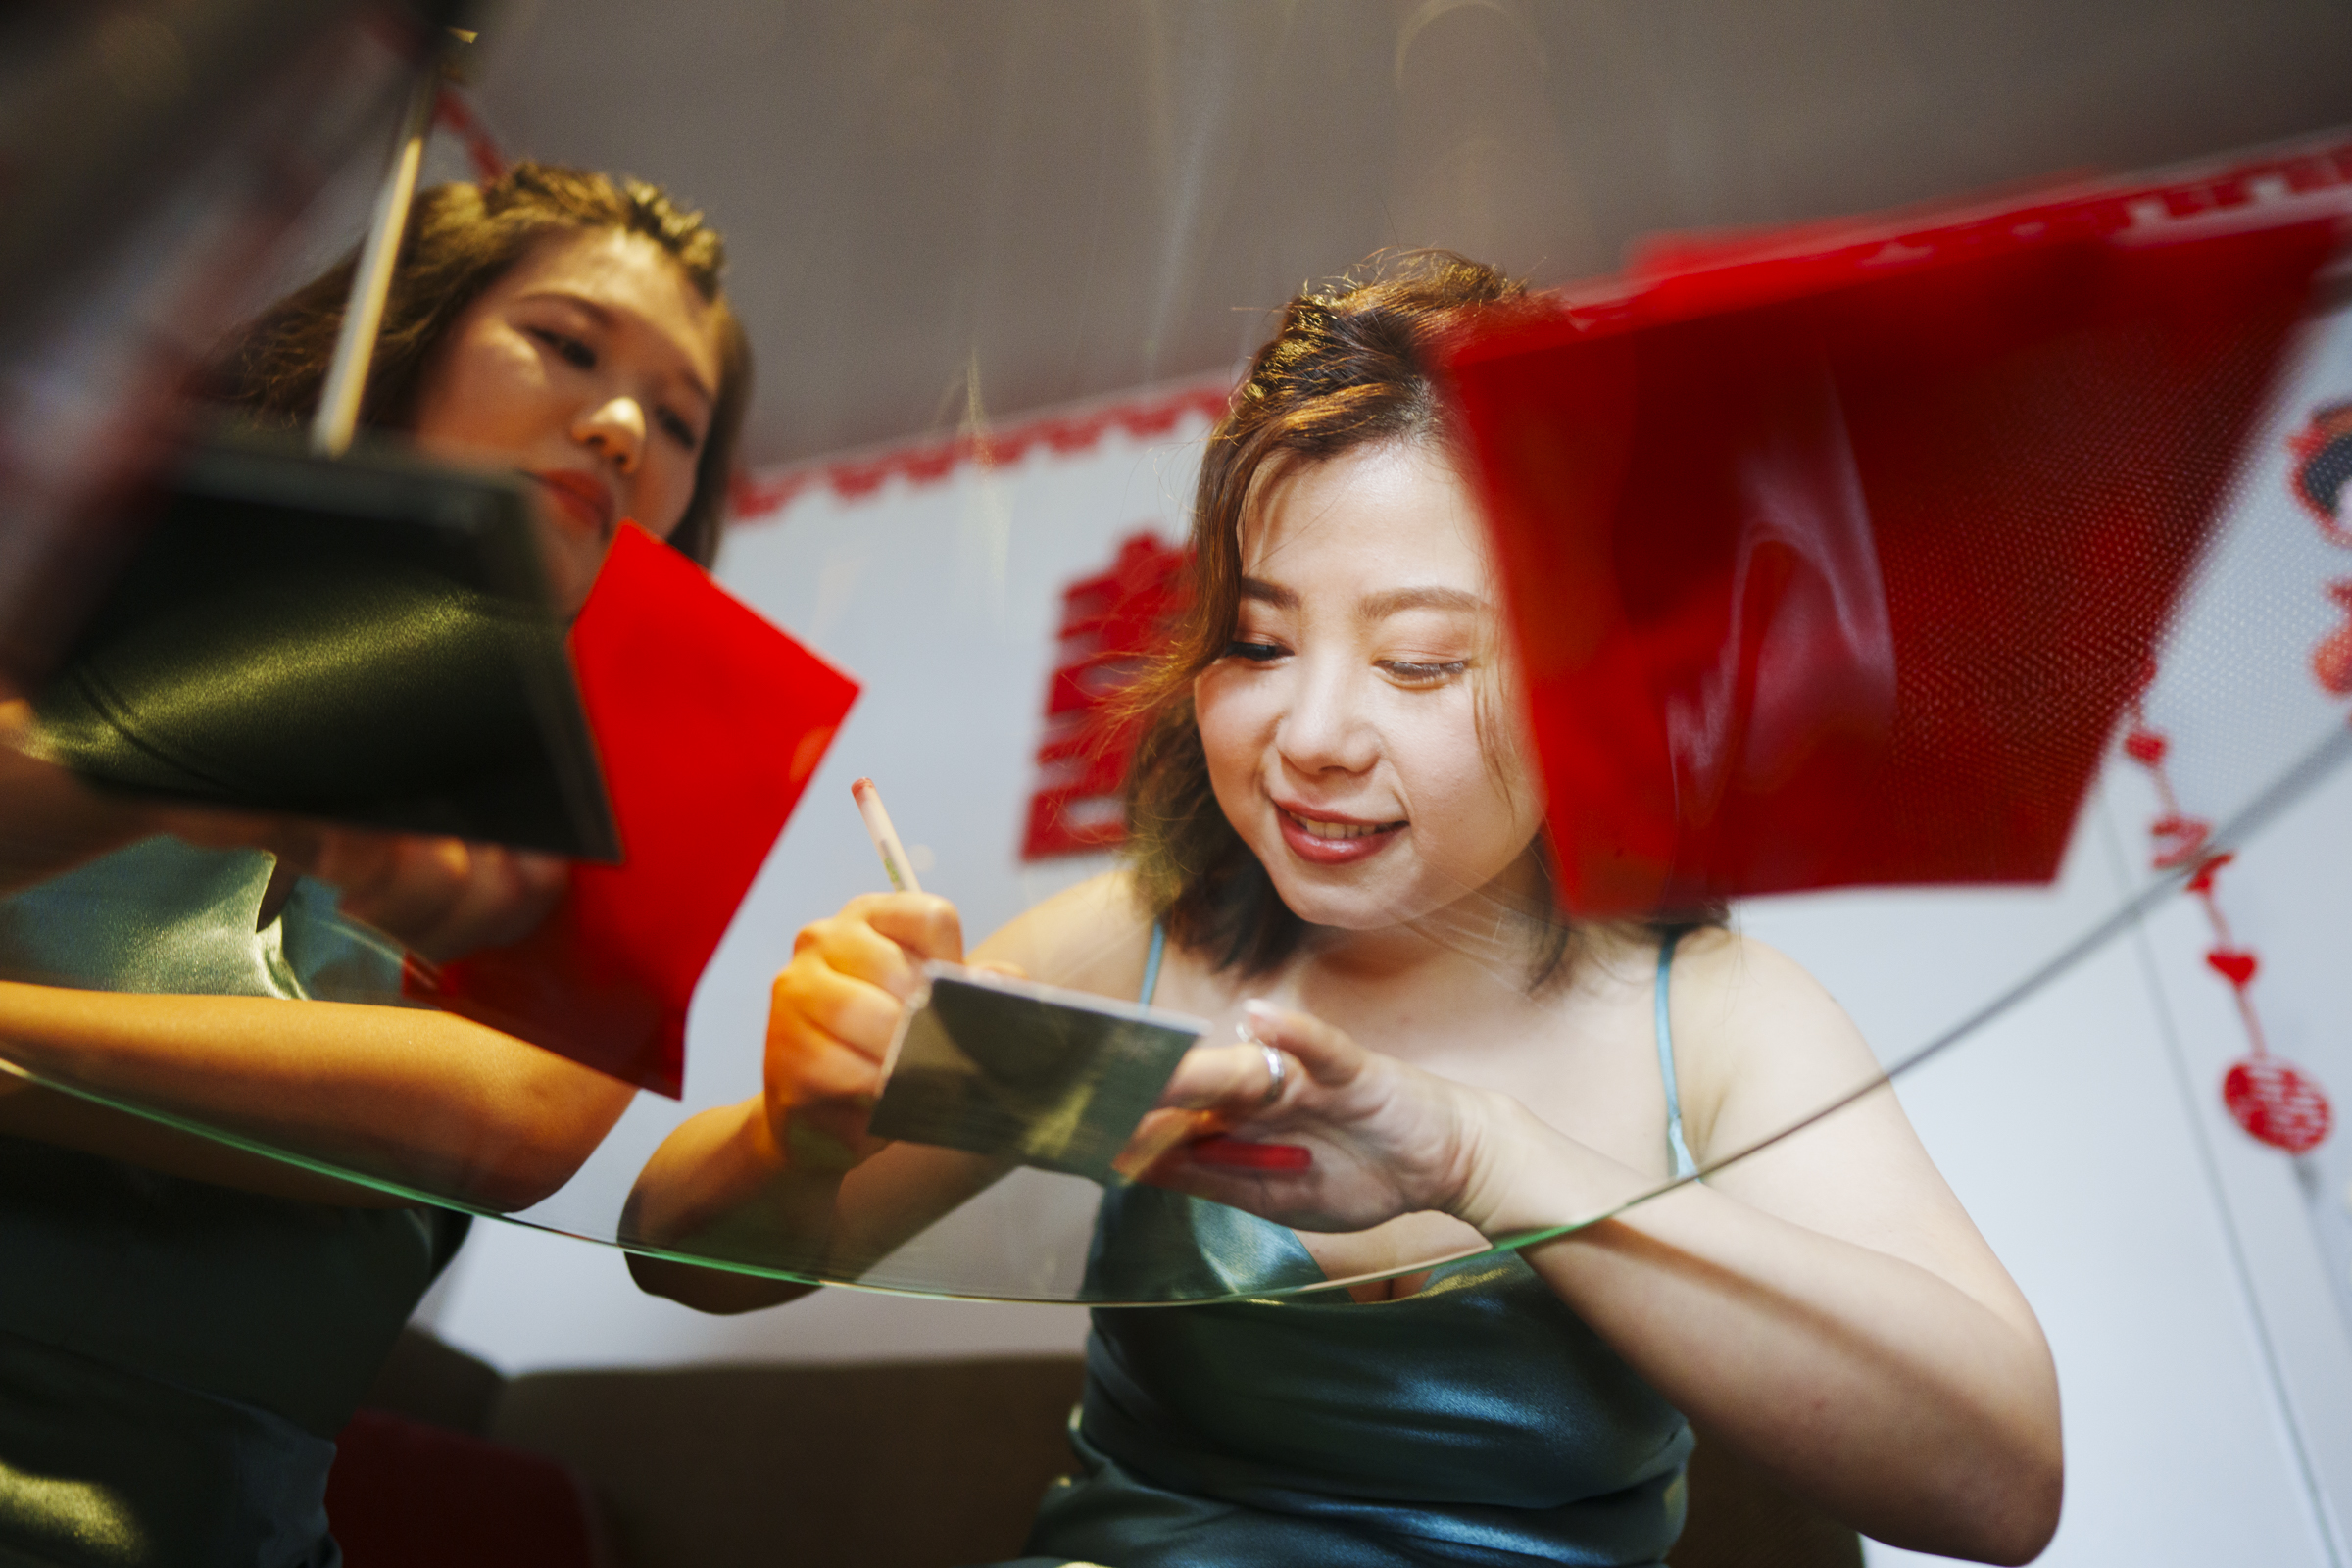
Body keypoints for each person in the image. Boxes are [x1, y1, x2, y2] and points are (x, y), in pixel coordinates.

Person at [625, 256, 2063, 1567]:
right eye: (1257, 640)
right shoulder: (1135, 945)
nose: (1310, 732)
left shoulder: (1719, 1020)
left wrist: (1481, 1158)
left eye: (1424, 662)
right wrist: (794, 1141)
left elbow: (2002, 1490)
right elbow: (671, 1250)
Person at [0, 162, 748, 1568]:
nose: (619, 425)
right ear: (408, 335)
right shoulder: (102, 534)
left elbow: (503, 1120)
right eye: (568, 345)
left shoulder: (657, 755)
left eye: (680, 421)